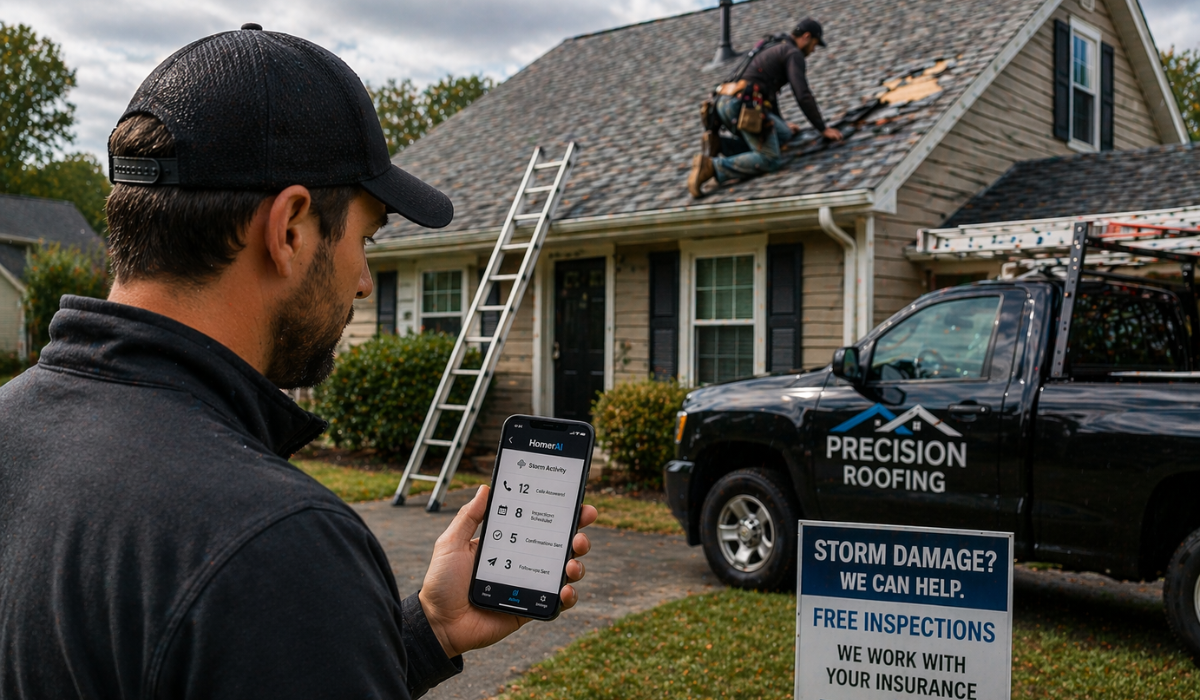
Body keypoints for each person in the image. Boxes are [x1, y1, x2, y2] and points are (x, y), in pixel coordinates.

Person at [0, 25, 596, 699]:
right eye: (365, 240)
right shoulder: (276, 546)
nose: (364, 283)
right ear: (289, 229)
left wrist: (428, 630)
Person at [689, 18, 844, 197]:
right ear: (807, 37)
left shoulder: (772, 45)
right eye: (815, 44)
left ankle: (722, 145)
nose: (813, 50)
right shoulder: (793, 53)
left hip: (722, 103)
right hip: (745, 106)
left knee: (784, 135)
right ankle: (712, 167)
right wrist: (822, 128)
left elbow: (769, 94)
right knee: (770, 159)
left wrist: (782, 123)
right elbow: (802, 94)